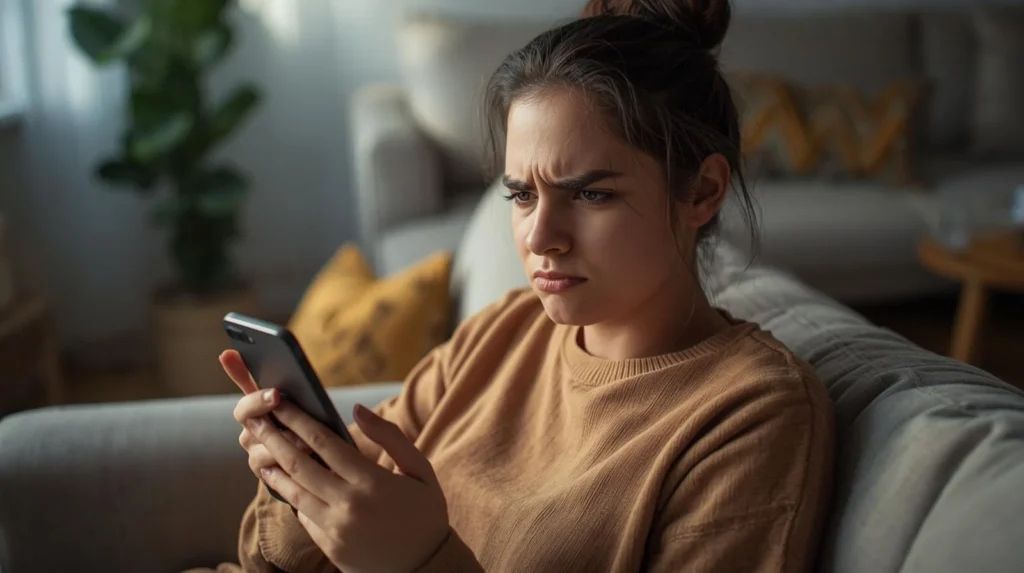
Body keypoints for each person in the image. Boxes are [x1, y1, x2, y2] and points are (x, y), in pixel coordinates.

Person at [189, 0, 834, 571]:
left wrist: (417, 562)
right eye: (522, 194)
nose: (539, 237)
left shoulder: (751, 416)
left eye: (591, 193)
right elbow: (265, 559)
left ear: (702, 191)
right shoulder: (502, 331)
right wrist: (297, 483)